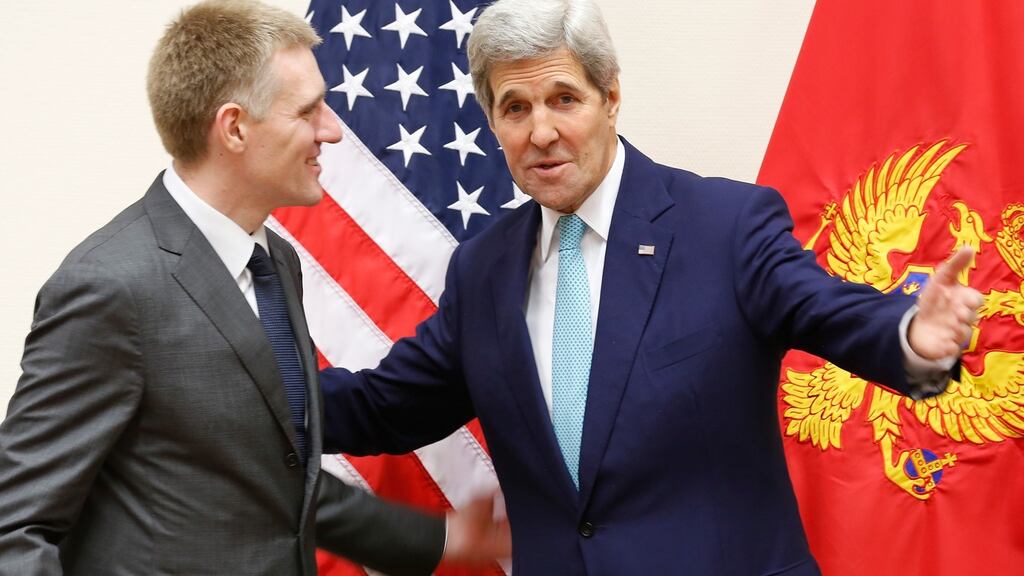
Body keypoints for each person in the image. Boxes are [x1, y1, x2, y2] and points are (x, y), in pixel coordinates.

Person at [318, 0, 984, 574]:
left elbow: (826, 311)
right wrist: (236, 388)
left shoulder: (725, 226)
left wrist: (911, 335)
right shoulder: (482, 268)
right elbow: (386, 406)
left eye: (563, 99)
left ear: (611, 96)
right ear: (492, 124)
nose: (542, 132)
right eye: (515, 108)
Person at [0, 1, 507, 574]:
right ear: (235, 127)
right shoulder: (111, 287)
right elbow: (15, 525)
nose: (333, 131)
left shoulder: (275, 261)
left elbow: (272, 478)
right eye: (308, 111)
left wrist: (440, 541)